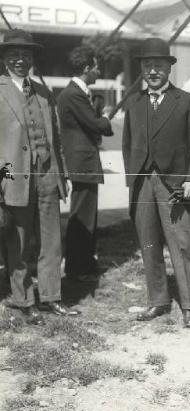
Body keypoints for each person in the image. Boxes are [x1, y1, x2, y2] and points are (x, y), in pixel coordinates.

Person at [122, 38, 190, 328]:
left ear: (169, 69)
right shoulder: (134, 103)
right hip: (143, 183)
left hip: (175, 184)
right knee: (148, 243)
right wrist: (132, 180)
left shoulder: (186, 102)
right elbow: (127, 145)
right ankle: (158, 300)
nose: (153, 71)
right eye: (148, 66)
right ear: (142, 70)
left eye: (158, 65)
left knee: (182, 244)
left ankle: (189, 305)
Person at [0, 29, 78, 323]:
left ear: (32, 58)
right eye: (14, 55)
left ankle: (50, 297)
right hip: (14, 177)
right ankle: (22, 300)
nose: (21, 60)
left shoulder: (44, 93)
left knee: (51, 240)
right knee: (18, 243)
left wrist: (62, 175)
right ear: (6, 58)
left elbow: (56, 138)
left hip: (47, 174)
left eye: (26, 55)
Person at [58, 46, 113, 282]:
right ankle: (77, 267)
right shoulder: (73, 94)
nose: (99, 71)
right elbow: (96, 125)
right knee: (81, 215)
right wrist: (106, 117)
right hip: (82, 163)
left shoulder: (76, 93)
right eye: (96, 66)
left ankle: (85, 264)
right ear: (87, 68)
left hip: (84, 162)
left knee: (87, 214)